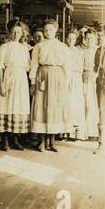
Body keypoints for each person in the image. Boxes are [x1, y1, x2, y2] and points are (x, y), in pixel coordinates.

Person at [30, 19, 70, 152]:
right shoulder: (39, 46)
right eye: (46, 30)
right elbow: (34, 65)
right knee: (42, 108)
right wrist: (33, 82)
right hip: (43, 75)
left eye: (51, 30)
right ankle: (41, 141)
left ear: (56, 30)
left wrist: (66, 81)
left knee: (55, 108)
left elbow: (66, 66)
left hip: (58, 76)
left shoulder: (62, 46)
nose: (48, 32)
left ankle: (52, 141)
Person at [0, 20, 31, 151]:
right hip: (8, 77)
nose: (16, 34)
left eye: (19, 32)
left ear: (22, 33)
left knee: (18, 106)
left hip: (21, 79)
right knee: (7, 106)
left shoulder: (24, 49)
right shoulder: (4, 47)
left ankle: (14, 138)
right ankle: (4, 139)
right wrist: (1, 85)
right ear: (9, 33)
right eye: (14, 32)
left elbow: (27, 67)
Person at [65, 30, 86, 140]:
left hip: (76, 78)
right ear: (65, 39)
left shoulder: (79, 52)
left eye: (73, 38)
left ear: (76, 39)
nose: (70, 40)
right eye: (69, 38)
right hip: (65, 77)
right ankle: (64, 132)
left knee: (75, 103)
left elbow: (81, 67)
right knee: (66, 102)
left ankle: (74, 132)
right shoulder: (63, 50)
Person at [80, 31, 100, 139]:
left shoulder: (98, 50)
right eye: (87, 38)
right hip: (85, 76)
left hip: (95, 78)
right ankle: (84, 131)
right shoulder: (83, 51)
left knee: (93, 104)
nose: (89, 40)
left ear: (95, 39)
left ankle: (94, 131)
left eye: (91, 38)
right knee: (86, 103)